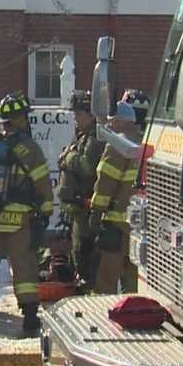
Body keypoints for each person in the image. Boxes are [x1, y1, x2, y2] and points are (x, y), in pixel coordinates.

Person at [0, 93, 53, 334]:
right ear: (19, 119)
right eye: (24, 116)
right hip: (19, 220)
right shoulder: (30, 148)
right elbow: (42, 183)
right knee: (24, 265)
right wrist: (46, 211)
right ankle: (29, 315)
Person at [88, 92, 148, 295]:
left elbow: (106, 180)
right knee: (133, 272)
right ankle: (133, 307)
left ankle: (103, 308)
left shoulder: (117, 145)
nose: (110, 127)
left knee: (107, 273)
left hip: (116, 221)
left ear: (122, 122)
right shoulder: (144, 143)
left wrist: (96, 211)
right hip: (140, 223)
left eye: (112, 122)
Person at [56, 90, 104, 290]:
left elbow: (86, 167)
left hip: (86, 208)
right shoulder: (83, 136)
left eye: (79, 114)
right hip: (76, 207)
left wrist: (67, 158)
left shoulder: (96, 138)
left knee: (84, 251)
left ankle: (89, 290)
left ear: (90, 115)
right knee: (77, 250)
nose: (75, 119)